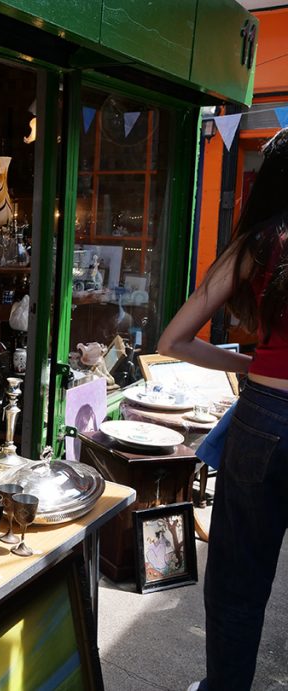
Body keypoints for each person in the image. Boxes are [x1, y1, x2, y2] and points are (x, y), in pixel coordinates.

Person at [157, 128, 288, 691]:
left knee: (239, 582)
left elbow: (173, 340)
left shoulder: (261, 243)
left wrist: (248, 364)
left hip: (267, 416)